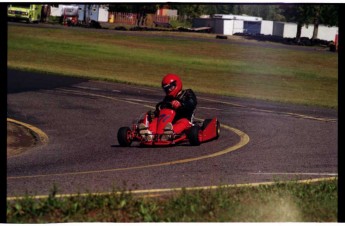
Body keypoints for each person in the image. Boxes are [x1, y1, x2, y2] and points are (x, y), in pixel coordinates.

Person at [139, 73, 197, 140]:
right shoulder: (168, 98)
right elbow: (163, 109)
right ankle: (149, 134)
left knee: (183, 122)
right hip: (169, 122)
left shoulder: (188, 93)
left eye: (170, 87)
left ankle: (169, 134)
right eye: (166, 89)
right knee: (156, 120)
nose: (169, 90)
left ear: (176, 84)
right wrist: (155, 113)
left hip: (185, 119)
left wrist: (181, 104)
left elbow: (192, 103)